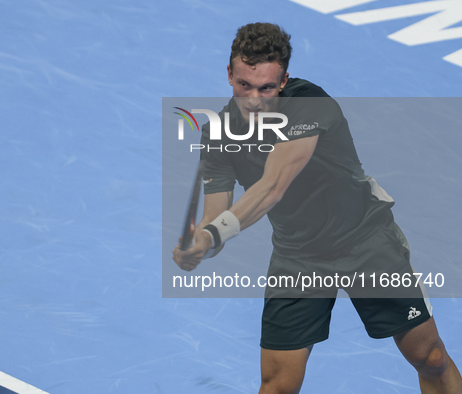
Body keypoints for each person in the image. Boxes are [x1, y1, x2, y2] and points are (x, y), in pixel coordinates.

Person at [172, 22, 462, 393]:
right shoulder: (218, 133)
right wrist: (202, 244)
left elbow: (273, 185)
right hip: (298, 256)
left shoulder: (310, 103)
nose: (254, 100)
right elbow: (216, 214)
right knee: (277, 385)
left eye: (266, 88)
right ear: (229, 75)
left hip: (366, 240)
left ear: (284, 81)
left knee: (430, 358)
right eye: (244, 85)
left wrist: (214, 233)